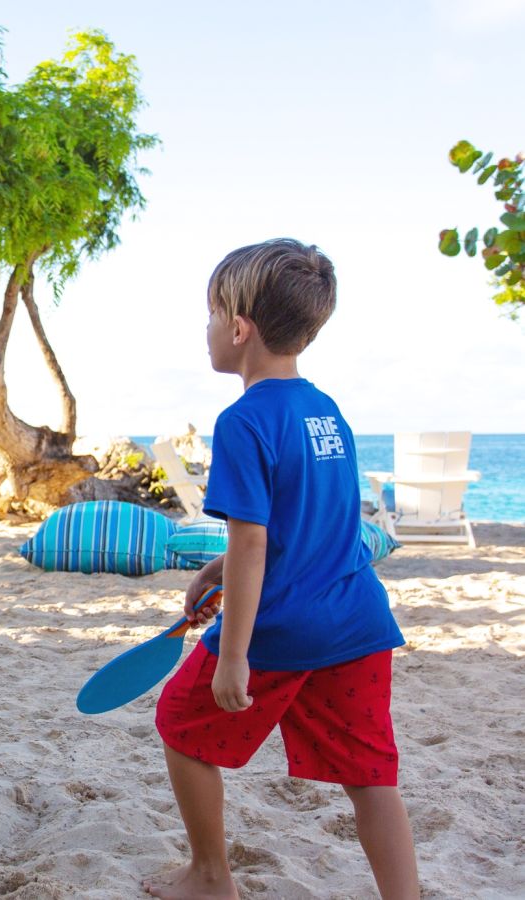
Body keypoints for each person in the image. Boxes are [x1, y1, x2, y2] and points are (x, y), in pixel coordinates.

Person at [143, 240, 418, 899]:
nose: (208, 330)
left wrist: (232, 653)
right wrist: (219, 565)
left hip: (282, 632)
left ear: (239, 328)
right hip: (356, 624)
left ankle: (212, 876)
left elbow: (256, 545)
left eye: (211, 315)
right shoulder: (326, 411)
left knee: (181, 724)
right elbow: (311, 524)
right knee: (372, 778)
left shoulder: (242, 421)